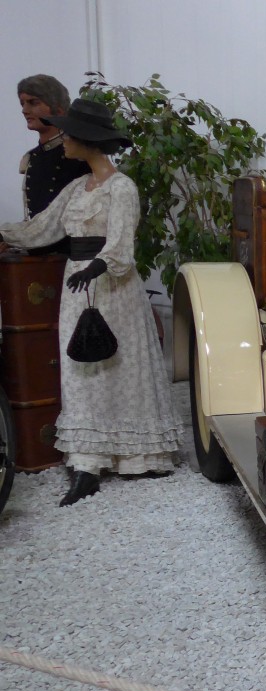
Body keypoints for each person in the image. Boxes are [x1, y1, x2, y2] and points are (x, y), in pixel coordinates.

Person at [0, 98, 182, 506]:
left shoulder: (122, 187)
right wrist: (6, 234)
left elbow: (121, 244)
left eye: (68, 134)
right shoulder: (76, 188)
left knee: (121, 365)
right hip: (76, 285)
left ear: (87, 140)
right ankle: (87, 463)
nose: (62, 140)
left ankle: (136, 454)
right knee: (80, 369)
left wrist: (96, 267)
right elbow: (42, 228)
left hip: (113, 288)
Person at [17, 75, 90, 254]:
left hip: (73, 255)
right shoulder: (32, 157)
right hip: (41, 252)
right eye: (22, 103)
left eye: (33, 103)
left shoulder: (80, 156)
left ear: (58, 109)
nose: (25, 110)